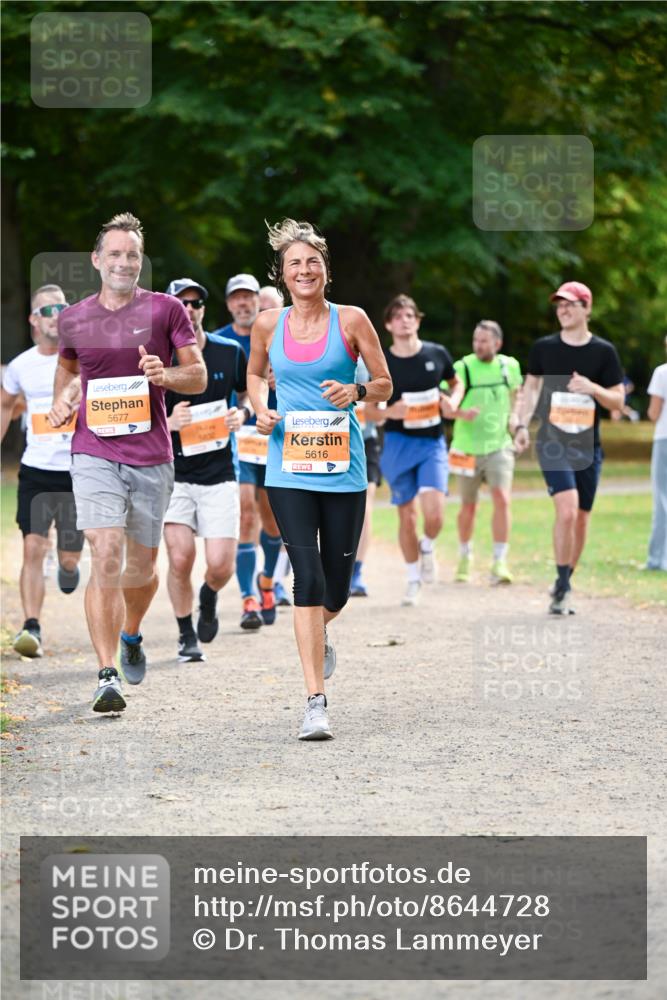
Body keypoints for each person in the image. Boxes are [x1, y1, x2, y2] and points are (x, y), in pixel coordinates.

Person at [49, 213, 206, 713]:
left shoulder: (165, 311)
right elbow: (69, 368)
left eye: (132, 255)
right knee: (106, 552)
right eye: (114, 254)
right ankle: (106, 672)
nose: (123, 262)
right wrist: (62, 401)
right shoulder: (74, 317)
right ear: (97, 261)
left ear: (142, 261)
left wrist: (166, 375)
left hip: (151, 455)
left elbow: (198, 375)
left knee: (141, 570)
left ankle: (132, 631)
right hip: (93, 450)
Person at [247, 218, 392, 741]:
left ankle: (318, 630)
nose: (304, 270)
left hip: (343, 469)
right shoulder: (268, 324)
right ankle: (315, 703)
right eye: (294, 264)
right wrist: (262, 408)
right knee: (305, 579)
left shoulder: (351, 320)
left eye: (313, 262)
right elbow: (253, 377)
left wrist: (355, 393)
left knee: (337, 588)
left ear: (325, 269)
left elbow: (384, 384)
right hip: (287, 464)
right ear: (283, 274)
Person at [514, 281, 624, 614]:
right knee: (566, 509)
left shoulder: (604, 352)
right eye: (559, 304)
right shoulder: (544, 348)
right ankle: (562, 586)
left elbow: (618, 401)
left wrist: (593, 388)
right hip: (552, 443)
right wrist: (520, 425)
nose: (563, 309)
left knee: (580, 519)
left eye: (570, 304)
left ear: (586, 308)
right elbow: (530, 390)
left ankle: (564, 582)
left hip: (587, 447)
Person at [163, 278, 251, 661]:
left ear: (203, 309)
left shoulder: (229, 352)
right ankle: (186, 634)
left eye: (196, 303)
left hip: (219, 473)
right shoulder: (157, 357)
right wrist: (168, 421)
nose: (190, 309)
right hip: (172, 474)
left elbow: (250, 390)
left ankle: (209, 596)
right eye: (182, 302)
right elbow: (135, 412)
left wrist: (242, 413)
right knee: (180, 558)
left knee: (220, 566)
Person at [1, 284, 84, 658]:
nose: (58, 315)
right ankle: (31, 626)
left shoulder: (84, 358)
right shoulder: (20, 366)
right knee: (33, 546)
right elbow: (5, 406)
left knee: (69, 557)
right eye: (49, 310)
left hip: (80, 469)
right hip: (36, 470)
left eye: (63, 308)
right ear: (34, 319)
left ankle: (68, 567)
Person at [365, 294, 461, 606]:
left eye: (410, 315)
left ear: (417, 321)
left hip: (432, 443)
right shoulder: (382, 363)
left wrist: (452, 403)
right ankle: (412, 579)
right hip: (396, 444)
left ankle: (428, 544)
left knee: (434, 514)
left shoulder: (437, 353)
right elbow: (368, 411)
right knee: (406, 516)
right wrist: (389, 413)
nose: (405, 320)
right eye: (398, 316)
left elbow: (456, 383)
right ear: (388, 324)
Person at [213, 275, 283, 629]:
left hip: (275, 436)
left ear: (258, 300)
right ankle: (248, 598)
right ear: (229, 304)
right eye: (236, 299)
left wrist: (279, 378)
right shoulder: (220, 341)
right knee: (245, 515)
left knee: (272, 518)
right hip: (238, 437)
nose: (243, 304)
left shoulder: (277, 333)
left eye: (248, 298)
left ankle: (268, 579)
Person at [449, 320, 523, 584]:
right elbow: (446, 405)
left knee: (502, 498)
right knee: (468, 507)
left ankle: (500, 561)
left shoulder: (509, 366)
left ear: (497, 343)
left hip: (499, 445)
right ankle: (465, 555)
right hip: (466, 448)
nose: (478, 345)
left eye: (484, 340)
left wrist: (516, 421)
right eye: (475, 340)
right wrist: (459, 413)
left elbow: (517, 398)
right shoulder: (463, 367)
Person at [349, 357, 383, 597]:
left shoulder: (368, 358)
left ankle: (357, 572)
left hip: (364, 441)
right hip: (326, 440)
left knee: (364, 507)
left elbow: (380, 409)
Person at [646, 336, 667, 571]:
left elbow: (653, 412)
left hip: (664, 438)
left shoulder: (662, 373)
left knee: (662, 500)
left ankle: (657, 560)